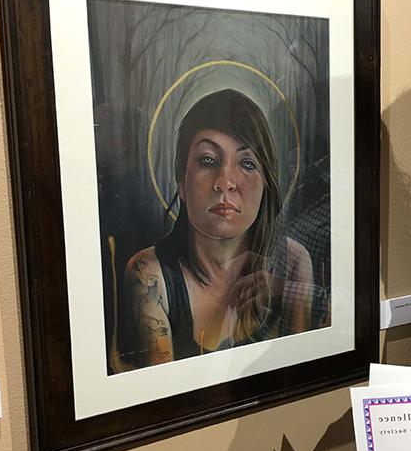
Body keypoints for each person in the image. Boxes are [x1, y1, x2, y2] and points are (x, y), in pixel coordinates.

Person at [115, 89, 315, 371]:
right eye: (208, 160)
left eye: (247, 163)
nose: (225, 182)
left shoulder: (292, 261)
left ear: (266, 183)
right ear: (181, 182)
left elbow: (304, 373)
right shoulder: (149, 275)